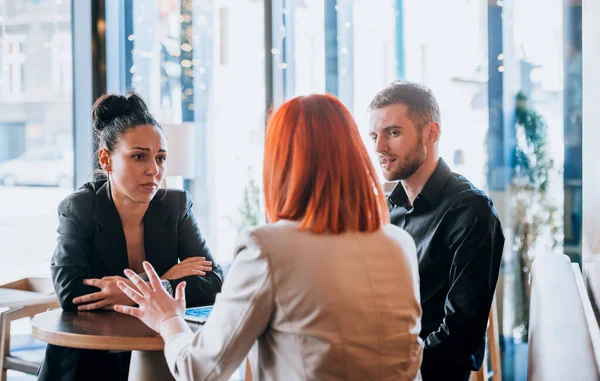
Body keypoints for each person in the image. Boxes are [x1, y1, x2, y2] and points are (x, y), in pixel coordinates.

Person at [114, 94, 423, 381]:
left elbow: (199, 370)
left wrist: (168, 319)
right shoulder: (399, 243)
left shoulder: (269, 248)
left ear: (282, 163)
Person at [38, 93, 223, 381]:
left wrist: (135, 288)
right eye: (139, 156)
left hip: (156, 357)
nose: (154, 170)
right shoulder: (80, 208)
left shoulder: (174, 205)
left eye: (160, 158)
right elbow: (70, 293)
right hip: (87, 362)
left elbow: (214, 282)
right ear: (106, 160)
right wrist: (163, 280)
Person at [368, 81, 505, 381]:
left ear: (431, 133)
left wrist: (397, 372)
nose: (379, 147)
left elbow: (460, 334)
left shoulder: (471, 211)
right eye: (375, 136)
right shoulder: (388, 210)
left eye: (393, 133)